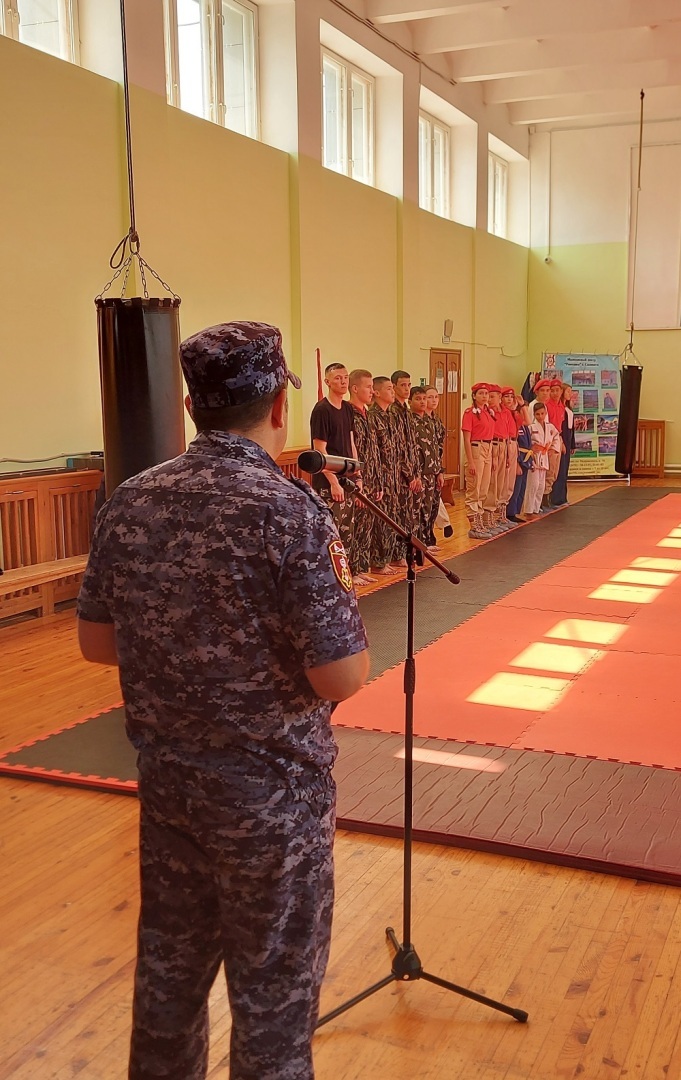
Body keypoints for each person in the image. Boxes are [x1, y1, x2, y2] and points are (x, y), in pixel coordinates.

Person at [76, 321, 370, 1080]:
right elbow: (340, 676)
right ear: (278, 404)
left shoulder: (131, 498)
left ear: (188, 403)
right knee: (273, 994)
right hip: (272, 796)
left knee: (168, 980)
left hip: (171, 785)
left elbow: (97, 644)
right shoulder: (288, 510)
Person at [309, 362, 360, 556]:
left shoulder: (347, 408)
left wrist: (358, 474)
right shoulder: (322, 410)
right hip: (329, 482)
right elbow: (320, 452)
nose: (343, 381)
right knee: (333, 533)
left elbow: (351, 441)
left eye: (345, 377)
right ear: (327, 382)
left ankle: (348, 577)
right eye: (338, 378)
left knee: (348, 531)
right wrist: (333, 483)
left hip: (348, 477)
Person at [348, 368, 381, 586]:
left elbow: (375, 451)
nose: (372, 391)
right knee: (355, 527)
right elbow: (352, 452)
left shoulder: (367, 414)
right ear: (355, 388)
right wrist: (357, 482)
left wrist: (377, 482)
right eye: (368, 387)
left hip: (372, 478)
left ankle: (361, 567)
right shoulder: (348, 415)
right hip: (358, 479)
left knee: (366, 526)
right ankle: (352, 570)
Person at [389, 370, 422, 563]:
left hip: (411, 472)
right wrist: (409, 476)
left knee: (409, 516)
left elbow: (411, 445)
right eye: (403, 385)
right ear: (394, 387)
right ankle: (396, 554)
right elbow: (397, 448)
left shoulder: (406, 411)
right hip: (399, 475)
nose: (407, 389)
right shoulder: (393, 412)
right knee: (398, 516)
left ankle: (405, 553)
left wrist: (416, 473)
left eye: (409, 385)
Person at [368, 376, 399, 573]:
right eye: (389, 388)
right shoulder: (373, 416)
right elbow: (373, 451)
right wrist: (377, 480)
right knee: (380, 520)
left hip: (393, 474)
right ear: (377, 392)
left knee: (391, 519)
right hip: (380, 475)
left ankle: (387, 558)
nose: (393, 392)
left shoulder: (391, 415)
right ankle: (378, 562)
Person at [408, 386, 441, 549]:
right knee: (417, 511)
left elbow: (436, 448)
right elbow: (412, 450)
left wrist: (439, 471)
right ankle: (418, 545)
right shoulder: (410, 421)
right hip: (419, 473)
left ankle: (427, 541)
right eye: (418, 399)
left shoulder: (429, 421)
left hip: (432, 472)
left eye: (424, 399)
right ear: (410, 401)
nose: (423, 402)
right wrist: (416, 474)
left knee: (429, 509)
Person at [461, 381, 494, 540]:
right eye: (480, 393)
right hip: (476, 448)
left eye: (486, 393)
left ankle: (480, 522)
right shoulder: (470, 413)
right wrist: (471, 461)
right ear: (474, 395)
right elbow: (466, 439)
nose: (484, 396)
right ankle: (474, 525)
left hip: (488, 449)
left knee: (484, 488)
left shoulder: (488, 412)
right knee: (474, 487)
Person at [523, 399, 558, 518]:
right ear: (534, 414)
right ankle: (528, 511)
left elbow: (556, 437)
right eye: (537, 414)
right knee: (533, 484)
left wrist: (553, 449)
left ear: (546, 413)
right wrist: (531, 447)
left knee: (541, 485)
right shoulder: (531, 427)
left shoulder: (550, 426)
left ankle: (536, 509)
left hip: (544, 456)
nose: (540, 416)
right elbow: (526, 441)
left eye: (542, 413)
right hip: (534, 457)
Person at [424, 385, 450, 542]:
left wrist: (440, 470)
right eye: (429, 397)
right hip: (424, 470)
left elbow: (439, 448)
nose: (433, 400)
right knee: (425, 507)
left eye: (436, 397)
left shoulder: (437, 420)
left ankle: (431, 534)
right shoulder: (418, 420)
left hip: (435, 467)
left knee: (433, 503)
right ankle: (426, 538)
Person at [482, 384, 509, 534]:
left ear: (499, 398)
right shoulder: (487, 412)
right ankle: (487, 517)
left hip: (503, 445)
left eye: (493, 396)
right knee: (491, 483)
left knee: (500, 483)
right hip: (493, 445)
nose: (490, 399)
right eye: (488, 396)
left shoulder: (504, 412)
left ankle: (497, 515)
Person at [506, 396, 533, 522]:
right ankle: (509, 513)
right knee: (514, 487)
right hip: (516, 456)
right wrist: (516, 462)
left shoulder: (520, 421)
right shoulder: (509, 418)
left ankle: (516, 511)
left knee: (521, 487)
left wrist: (522, 407)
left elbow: (528, 422)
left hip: (525, 457)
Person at [551, 383, 576, 507]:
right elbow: (562, 428)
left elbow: (572, 428)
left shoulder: (568, 407)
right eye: (568, 392)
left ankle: (563, 497)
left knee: (564, 470)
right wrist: (562, 442)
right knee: (559, 470)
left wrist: (572, 444)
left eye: (570, 392)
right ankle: (556, 498)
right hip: (562, 438)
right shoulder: (561, 408)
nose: (569, 394)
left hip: (568, 438)